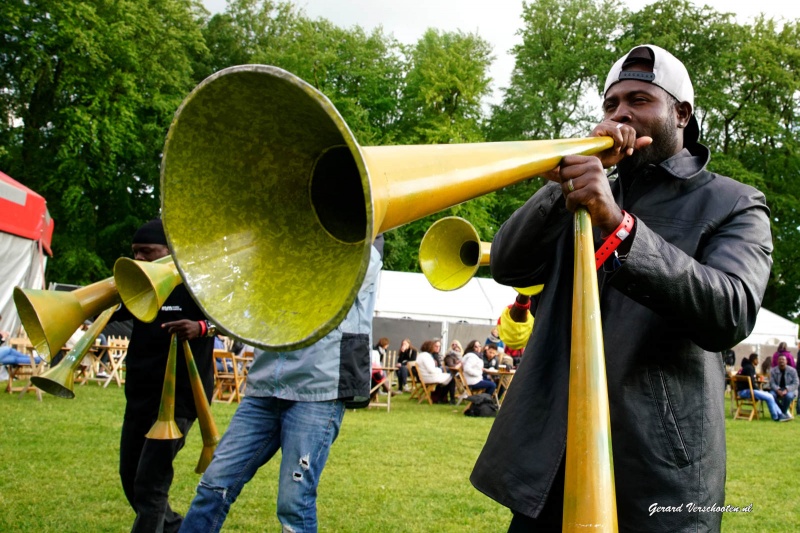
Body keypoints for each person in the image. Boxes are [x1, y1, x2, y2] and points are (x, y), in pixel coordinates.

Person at [470, 44, 773, 532]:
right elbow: (507, 262)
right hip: (553, 454)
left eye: (639, 100)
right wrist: (557, 189)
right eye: (611, 104)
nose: (620, 115)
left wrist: (620, 226)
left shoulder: (734, 202)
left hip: (655, 466)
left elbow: (731, 311)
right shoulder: (584, 189)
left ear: (682, 113)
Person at [179, 241, 382, 533]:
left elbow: (355, 274)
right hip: (264, 386)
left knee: (294, 504)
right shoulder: (277, 247)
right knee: (213, 485)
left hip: (317, 391)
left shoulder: (367, 245)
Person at [110, 218, 215, 533]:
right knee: (130, 477)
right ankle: (173, 528)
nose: (139, 260)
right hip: (141, 395)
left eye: (147, 252)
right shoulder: (139, 285)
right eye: (134, 253)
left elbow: (230, 322)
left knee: (150, 482)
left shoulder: (197, 285)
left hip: (179, 398)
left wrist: (199, 327)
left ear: (170, 252)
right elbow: (105, 311)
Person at [737, 354, 790, 422]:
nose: (758, 361)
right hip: (745, 391)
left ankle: (780, 414)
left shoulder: (747, 367)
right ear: (754, 360)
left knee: (770, 396)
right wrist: (759, 390)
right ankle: (776, 416)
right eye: (757, 359)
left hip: (746, 390)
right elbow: (752, 384)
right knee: (769, 397)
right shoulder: (749, 368)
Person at [416, 339, 456, 404]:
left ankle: (442, 398)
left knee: (449, 378)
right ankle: (449, 399)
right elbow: (432, 370)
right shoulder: (426, 356)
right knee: (451, 379)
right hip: (429, 377)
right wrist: (440, 370)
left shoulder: (421, 355)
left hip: (425, 376)